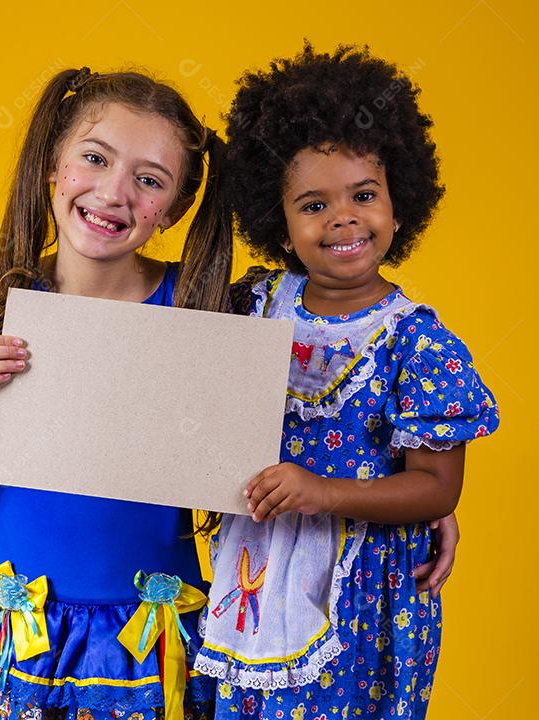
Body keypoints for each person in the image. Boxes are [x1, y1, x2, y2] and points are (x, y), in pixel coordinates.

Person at [0, 66, 233, 720]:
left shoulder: (209, 312)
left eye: (149, 179)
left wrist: (412, 493)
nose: (113, 192)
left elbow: (305, 434)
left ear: (177, 205)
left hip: (149, 652)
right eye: (95, 159)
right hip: (11, 641)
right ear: (54, 164)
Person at [195, 44, 500, 719]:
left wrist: (324, 492)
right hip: (251, 570)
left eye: (364, 195)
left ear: (399, 202)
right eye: (313, 203)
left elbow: (438, 485)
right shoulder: (250, 307)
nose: (344, 218)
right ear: (277, 218)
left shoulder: (418, 344)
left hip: (363, 592)